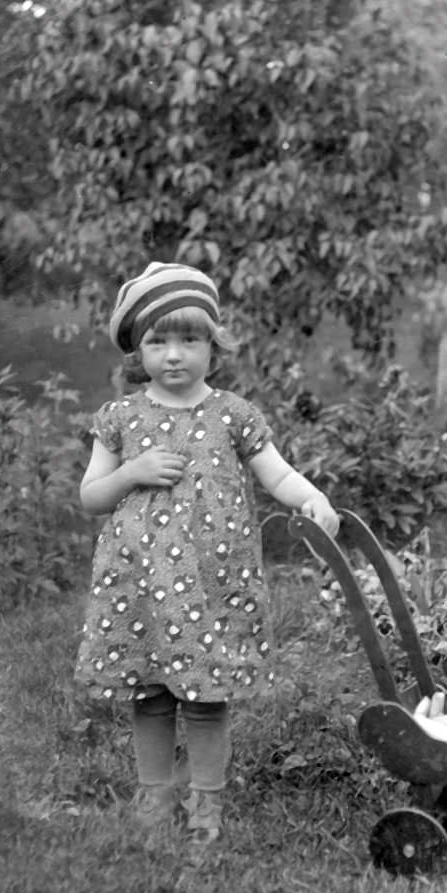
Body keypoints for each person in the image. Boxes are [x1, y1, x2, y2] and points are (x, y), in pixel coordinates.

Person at [74, 262, 340, 844]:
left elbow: (279, 475)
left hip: (212, 582)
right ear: (136, 350)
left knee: (207, 695)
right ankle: (154, 794)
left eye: (189, 339)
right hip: (140, 582)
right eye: (158, 340)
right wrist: (134, 473)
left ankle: (206, 803)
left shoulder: (233, 415)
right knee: (148, 693)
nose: (174, 354)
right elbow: (91, 496)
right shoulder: (121, 418)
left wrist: (313, 498)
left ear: (212, 344)